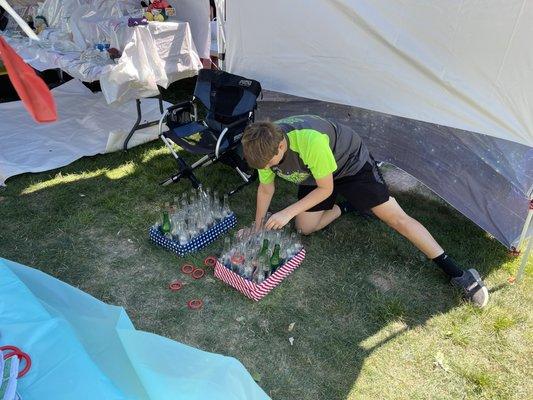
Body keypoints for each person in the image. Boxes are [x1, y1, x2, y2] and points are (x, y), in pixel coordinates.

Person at [241, 115, 489, 307]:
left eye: (272, 164)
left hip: (350, 165)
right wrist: (258, 224)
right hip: (317, 175)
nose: (268, 168)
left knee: (396, 219)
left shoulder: (309, 140)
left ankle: (457, 272)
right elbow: (265, 188)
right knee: (305, 228)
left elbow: (325, 189)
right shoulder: (263, 149)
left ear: (281, 144)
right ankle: (348, 205)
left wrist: (287, 212)